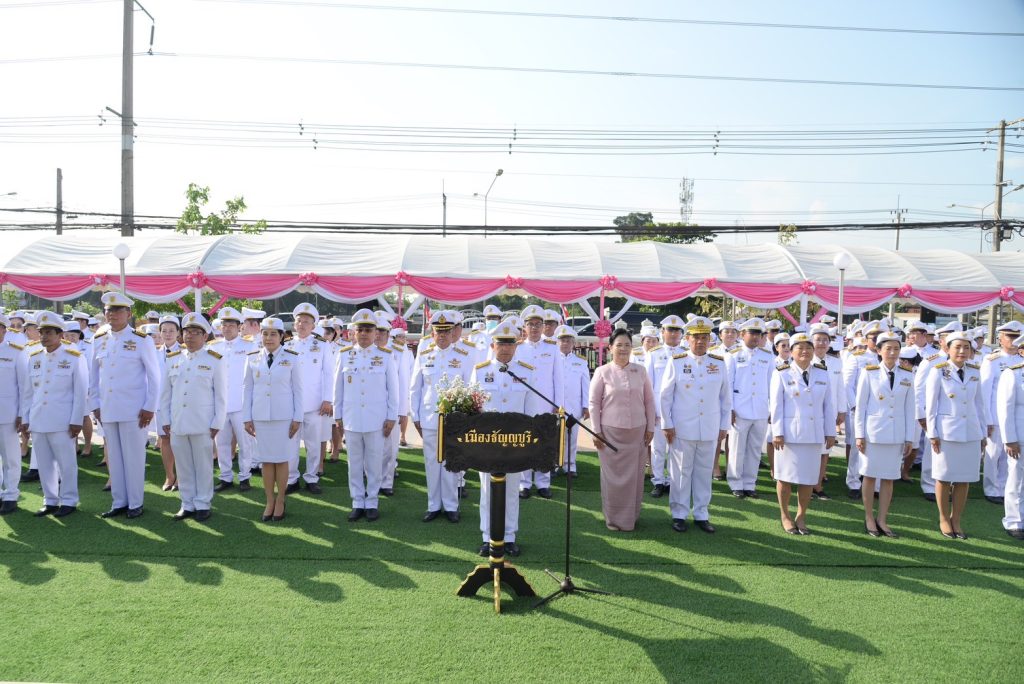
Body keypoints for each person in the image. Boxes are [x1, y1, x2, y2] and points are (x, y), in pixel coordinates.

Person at [469, 320, 544, 556]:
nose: (505, 348)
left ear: (516, 345)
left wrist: (529, 441)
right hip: (486, 444)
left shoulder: (526, 371)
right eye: (501, 343)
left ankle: (509, 537)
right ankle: (486, 536)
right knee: (486, 491)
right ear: (492, 345)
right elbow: (473, 409)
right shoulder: (480, 371)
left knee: (511, 491)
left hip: (514, 443)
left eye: (510, 343)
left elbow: (532, 411)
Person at [89, 291, 161, 520]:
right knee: (115, 458)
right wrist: (95, 404)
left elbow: (154, 377)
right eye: (109, 310)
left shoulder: (141, 340)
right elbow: (93, 376)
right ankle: (119, 502)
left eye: (118, 310)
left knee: (134, 458)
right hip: (108, 408)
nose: (112, 314)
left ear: (128, 313)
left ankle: (136, 503)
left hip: (134, 410)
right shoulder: (98, 338)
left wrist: (150, 406)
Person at [659, 316, 730, 534]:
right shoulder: (677, 361)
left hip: (709, 427)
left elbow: (725, 398)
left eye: (704, 337)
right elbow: (665, 396)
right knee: (680, 472)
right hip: (682, 428)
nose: (700, 341)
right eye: (696, 337)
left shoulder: (718, 363)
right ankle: (679, 514)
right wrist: (667, 424)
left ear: (710, 339)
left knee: (703, 473)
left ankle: (701, 513)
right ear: (687, 339)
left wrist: (723, 426)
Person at [159, 313, 227, 522]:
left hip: (202, 422)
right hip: (178, 421)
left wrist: (217, 422)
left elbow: (221, 395)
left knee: (203, 465)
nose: (190, 336)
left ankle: (203, 503)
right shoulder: (173, 359)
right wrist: (165, 420)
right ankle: (187, 504)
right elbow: (165, 394)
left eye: (195, 332)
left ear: (205, 336)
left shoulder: (214, 360)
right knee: (184, 465)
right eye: (187, 332)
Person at [334, 309, 398, 522]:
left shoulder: (385, 356)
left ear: (375, 333)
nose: (363, 334)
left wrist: (391, 417)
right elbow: (338, 389)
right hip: (352, 418)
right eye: (359, 329)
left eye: (368, 330)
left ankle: (371, 502)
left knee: (374, 463)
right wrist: (338, 416)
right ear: (353, 332)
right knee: (354, 463)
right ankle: (357, 502)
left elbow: (393, 390)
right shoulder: (344, 355)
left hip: (376, 419)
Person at [769, 332, 837, 535]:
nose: (805, 352)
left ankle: (801, 516)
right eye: (800, 348)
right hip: (789, 436)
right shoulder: (781, 372)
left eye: (808, 347)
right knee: (785, 478)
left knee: (808, 479)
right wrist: (777, 432)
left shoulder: (823, 373)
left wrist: (830, 432)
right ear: (791, 351)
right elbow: (776, 406)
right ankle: (785, 515)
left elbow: (828, 406)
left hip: (814, 435)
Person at [589, 327, 656, 532]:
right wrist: (596, 430)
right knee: (613, 479)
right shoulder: (602, 372)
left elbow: (649, 401)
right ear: (610, 348)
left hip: (637, 431)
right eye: (619, 345)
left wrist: (651, 426)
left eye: (627, 345)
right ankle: (613, 519)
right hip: (610, 434)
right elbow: (593, 403)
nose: (623, 349)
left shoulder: (640, 370)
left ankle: (631, 518)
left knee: (634, 477)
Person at [20, 311, 87, 518]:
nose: (44, 336)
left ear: (60, 335)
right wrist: (25, 418)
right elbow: (28, 392)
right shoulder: (34, 357)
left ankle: (68, 500)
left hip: (62, 421)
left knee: (67, 464)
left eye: (49, 332)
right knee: (44, 464)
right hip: (39, 420)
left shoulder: (74, 357)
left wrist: (76, 420)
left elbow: (80, 392)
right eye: (41, 332)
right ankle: (50, 500)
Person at [410, 310, 472, 522]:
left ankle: (451, 506)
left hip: (454, 420)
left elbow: (470, 389)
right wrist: (415, 416)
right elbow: (415, 387)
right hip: (429, 417)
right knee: (431, 463)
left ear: (453, 332)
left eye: (446, 331)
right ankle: (433, 505)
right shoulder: (424, 354)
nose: (442, 335)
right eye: (438, 331)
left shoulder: (463, 356)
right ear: (433, 332)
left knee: (451, 464)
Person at [925, 331, 987, 540]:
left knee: (964, 478)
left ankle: (956, 519)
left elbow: (979, 405)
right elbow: (931, 406)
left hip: (970, 431)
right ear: (948, 349)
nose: (962, 351)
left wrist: (983, 432)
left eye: (966, 347)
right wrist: (932, 433)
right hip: (946, 432)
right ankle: (943, 518)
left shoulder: (975, 372)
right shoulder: (938, 371)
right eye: (957, 347)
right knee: (943, 477)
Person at [853, 332, 915, 537]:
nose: (892, 352)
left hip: (896, 435)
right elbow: (860, 407)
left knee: (889, 478)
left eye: (896, 349)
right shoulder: (869, 372)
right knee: (869, 476)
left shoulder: (907, 374)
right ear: (879, 351)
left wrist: (909, 438)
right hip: (873, 433)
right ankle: (869, 517)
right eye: (887, 348)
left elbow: (909, 409)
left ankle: (883, 519)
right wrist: (859, 435)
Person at [243, 317, 303, 522]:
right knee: (266, 461)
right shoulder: (252, 357)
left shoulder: (292, 358)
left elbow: (298, 391)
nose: (268, 338)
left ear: (282, 337)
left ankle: (281, 499)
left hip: (283, 417)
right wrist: (246, 417)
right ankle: (269, 499)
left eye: (273, 334)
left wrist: (298, 417)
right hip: (260, 416)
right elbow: (248, 389)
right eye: (265, 334)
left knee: (282, 460)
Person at [283, 302, 333, 495]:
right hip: (291, 403)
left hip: (314, 403)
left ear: (314, 326)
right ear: (294, 325)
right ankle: (292, 478)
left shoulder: (322, 345)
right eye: (299, 321)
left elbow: (329, 373)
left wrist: (328, 399)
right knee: (291, 443)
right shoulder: (286, 345)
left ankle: (311, 477)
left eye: (306, 322)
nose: (302, 325)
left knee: (313, 443)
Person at [515, 304, 564, 500]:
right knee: (524, 442)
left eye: (538, 324)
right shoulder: (518, 348)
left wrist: (558, 404)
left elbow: (558, 378)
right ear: (524, 327)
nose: (534, 328)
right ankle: (524, 483)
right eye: (530, 324)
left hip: (546, 404)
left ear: (544, 327)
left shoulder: (552, 348)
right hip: (524, 404)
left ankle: (543, 483)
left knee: (545, 444)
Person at [209, 307, 259, 492]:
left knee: (245, 443)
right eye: (225, 324)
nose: (228, 328)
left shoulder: (249, 346)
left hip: (241, 404)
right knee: (221, 443)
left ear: (240, 327)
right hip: (221, 404)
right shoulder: (213, 347)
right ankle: (226, 477)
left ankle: (245, 476)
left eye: (232, 325)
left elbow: (254, 376)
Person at [725, 318, 773, 499]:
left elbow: (772, 385)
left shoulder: (767, 356)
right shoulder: (733, 355)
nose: (755, 337)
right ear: (742, 334)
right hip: (739, 410)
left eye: (758, 334)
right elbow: (728, 384)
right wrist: (729, 409)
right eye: (751, 333)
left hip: (760, 409)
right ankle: (735, 482)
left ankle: (750, 483)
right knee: (737, 448)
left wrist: (771, 409)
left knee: (754, 449)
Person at [642, 315, 686, 498]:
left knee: (678, 450)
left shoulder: (686, 353)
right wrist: (650, 412)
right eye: (670, 330)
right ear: (662, 332)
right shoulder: (654, 354)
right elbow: (648, 386)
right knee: (658, 448)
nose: (674, 334)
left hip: (682, 410)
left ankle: (675, 483)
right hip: (660, 411)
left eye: (677, 330)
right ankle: (659, 481)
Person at [979, 321, 1023, 504]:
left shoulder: (1020, 361)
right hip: (996, 416)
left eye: (1016, 336)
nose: (1013, 340)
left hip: (1015, 418)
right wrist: (987, 419)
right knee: (994, 455)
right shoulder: (992, 360)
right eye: (1009, 336)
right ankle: (991, 488)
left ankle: (1005, 487)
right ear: (1000, 338)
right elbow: (984, 392)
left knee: (1010, 458)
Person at [810, 323, 847, 500]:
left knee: (826, 449)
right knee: (810, 449)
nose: (822, 343)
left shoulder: (836, 362)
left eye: (825, 340)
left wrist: (841, 410)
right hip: (811, 412)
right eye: (818, 340)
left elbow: (840, 388)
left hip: (830, 412)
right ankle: (806, 484)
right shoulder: (805, 361)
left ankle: (818, 485)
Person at [995, 335, 1024, 540]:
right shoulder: (1012, 374)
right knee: (1016, 478)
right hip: (1020, 435)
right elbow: (1005, 409)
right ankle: (1014, 521)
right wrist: (1009, 439)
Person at [0, 314, 27, 515]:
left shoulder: (16, 353)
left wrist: (22, 414)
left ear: (4, 330)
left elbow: (24, 386)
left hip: (7, 413)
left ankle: (10, 494)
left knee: (10, 457)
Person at [555, 325, 590, 477]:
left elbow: (586, 385)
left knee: (572, 437)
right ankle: (555, 464)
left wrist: (585, 405)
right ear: (557, 342)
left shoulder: (580, 362)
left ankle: (570, 466)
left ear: (573, 343)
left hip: (573, 406)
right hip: (555, 406)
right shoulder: (553, 360)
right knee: (555, 436)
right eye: (562, 340)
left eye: (568, 340)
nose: (565, 343)